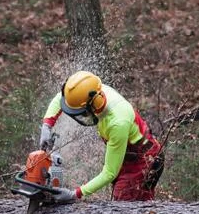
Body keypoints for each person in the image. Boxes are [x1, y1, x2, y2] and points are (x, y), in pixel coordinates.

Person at [40, 71, 164, 203]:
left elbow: (110, 172)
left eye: (83, 112)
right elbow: (62, 98)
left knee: (124, 206)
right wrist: (47, 125)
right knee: (138, 206)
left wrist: (74, 194)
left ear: (94, 104)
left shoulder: (117, 123)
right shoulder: (91, 89)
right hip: (127, 155)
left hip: (145, 161)